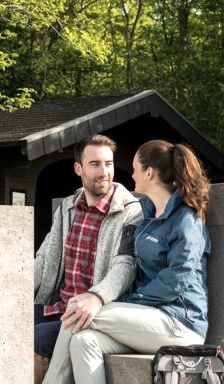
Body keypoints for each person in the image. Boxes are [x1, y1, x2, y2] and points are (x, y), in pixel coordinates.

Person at [42, 139, 211, 384]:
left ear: (149, 173)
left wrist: (130, 300)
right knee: (83, 340)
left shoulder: (186, 220)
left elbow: (177, 279)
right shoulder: (146, 214)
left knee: (77, 312)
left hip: (180, 323)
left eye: (134, 169)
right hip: (146, 318)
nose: (130, 174)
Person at [32, 134, 143, 384]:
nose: (104, 171)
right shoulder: (69, 207)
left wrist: (97, 296)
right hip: (56, 306)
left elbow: (125, 267)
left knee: (36, 338)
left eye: (108, 163)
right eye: (95, 164)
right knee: (3, 322)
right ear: (78, 168)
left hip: (92, 314)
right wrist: (9, 292)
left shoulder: (130, 211)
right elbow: (44, 258)